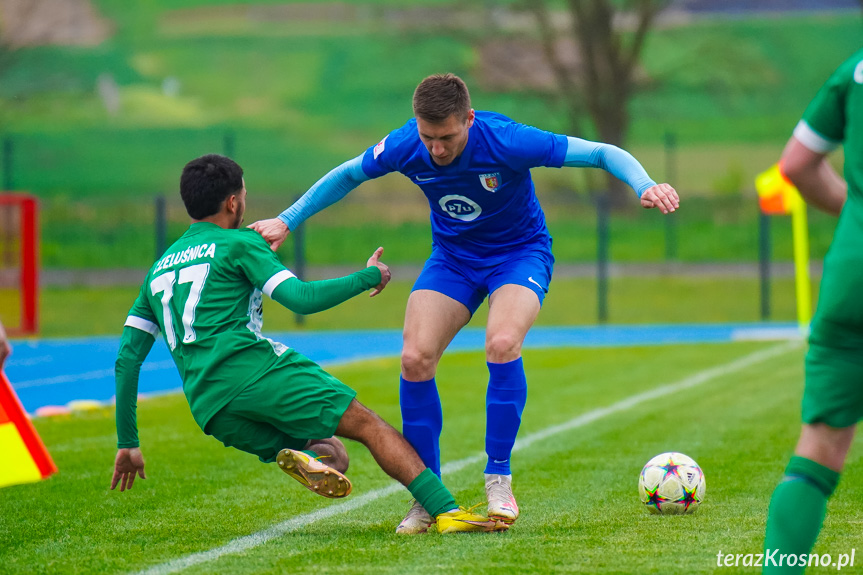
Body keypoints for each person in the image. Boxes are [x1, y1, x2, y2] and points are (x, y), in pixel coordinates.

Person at [251, 74, 679, 533]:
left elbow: (600, 152)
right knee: (415, 358)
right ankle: (425, 496)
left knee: (501, 344)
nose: (436, 149)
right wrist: (287, 220)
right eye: (428, 137)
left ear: (469, 120)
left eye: (447, 138)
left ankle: (498, 479)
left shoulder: (509, 140)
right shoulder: (405, 145)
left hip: (519, 255)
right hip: (454, 260)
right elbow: (349, 174)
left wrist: (644, 184)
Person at [110, 154, 508, 535]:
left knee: (334, 452)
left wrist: (128, 442)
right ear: (233, 201)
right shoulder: (238, 245)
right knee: (369, 425)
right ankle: (447, 511)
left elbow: (128, 359)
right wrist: (367, 277)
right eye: (244, 196)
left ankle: (315, 456)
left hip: (211, 409)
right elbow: (301, 299)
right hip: (254, 372)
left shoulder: (158, 269)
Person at [762, 50, 861, 573]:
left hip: (853, 277)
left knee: (818, 450)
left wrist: (857, 215)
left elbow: (796, 164)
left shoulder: (856, 70)